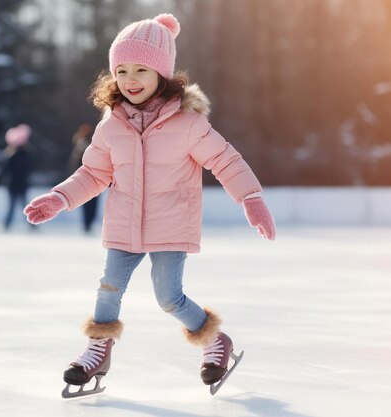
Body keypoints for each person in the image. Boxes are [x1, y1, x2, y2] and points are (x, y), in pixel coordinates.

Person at [23, 14, 276, 397]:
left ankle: (215, 342)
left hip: (171, 225)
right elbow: (93, 174)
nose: (131, 78)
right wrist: (59, 197)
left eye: (141, 69)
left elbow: (225, 160)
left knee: (168, 297)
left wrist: (251, 197)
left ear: (162, 74)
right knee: (108, 288)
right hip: (124, 225)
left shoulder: (188, 123)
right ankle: (97, 350)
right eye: (122, 70)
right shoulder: (111, 126)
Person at [1, 124, 33, 230]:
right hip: (22, 185)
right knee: (26, 207)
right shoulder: (26, 155)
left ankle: (6, 225)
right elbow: (29, 169)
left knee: (12, 207)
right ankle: (32, 225)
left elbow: (5, 170)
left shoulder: (11, 155)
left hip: (13, 185)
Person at [69, 123, 99, 233]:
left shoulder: (84, 145)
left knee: (87, 203)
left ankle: (87, 223)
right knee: (90, 203)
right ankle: (87, 223)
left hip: (88, 177)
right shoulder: (85, 144)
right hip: (91, 178)